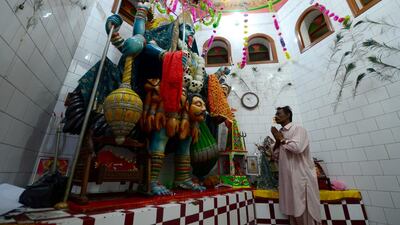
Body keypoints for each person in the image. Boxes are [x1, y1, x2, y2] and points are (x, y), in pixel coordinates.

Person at [270, 106, 321, 225]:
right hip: (287, 178)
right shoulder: (281, 133)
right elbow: (275, 156)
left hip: (300, 176)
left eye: (279, 113)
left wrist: (281, 139)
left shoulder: (298, 129)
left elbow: (297, 148)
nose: (276, 116)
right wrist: (277, 140)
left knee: (303, 208)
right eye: (275, 114)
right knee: (292, 209)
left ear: (288, 115)